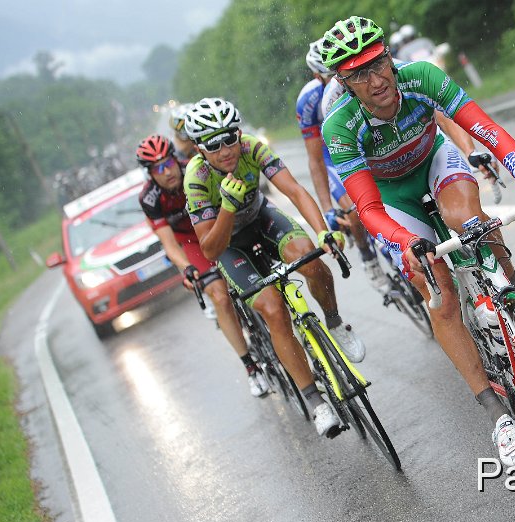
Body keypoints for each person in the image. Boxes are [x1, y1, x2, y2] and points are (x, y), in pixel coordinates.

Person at [319, 16, 515, 466]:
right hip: (391, 196)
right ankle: (497, 417)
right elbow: (369, 210)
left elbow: (485, 128)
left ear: (390, 58)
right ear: (344, 83)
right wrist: (406, 242)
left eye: (378, 64)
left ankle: (513, 296)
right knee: (438, 290)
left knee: (469, 218)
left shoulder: (422, 78)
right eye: (359, 75)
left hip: (435, 160)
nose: (376, 81)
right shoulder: (339, 127)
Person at [182, 97, 366, 436]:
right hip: (228, 244)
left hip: (261, 219)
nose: (225, 149)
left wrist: (323, 231)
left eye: (230, 137)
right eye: (213, 143)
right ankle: (315, 400)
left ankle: (335, 322)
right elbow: (210, 247)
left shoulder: (251, 148)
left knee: (309, 256)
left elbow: (294, 190)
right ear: (198, 148)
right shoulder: (196, 178)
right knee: (272, 309)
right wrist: (227, 206)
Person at [135, 134, 270, 397]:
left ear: (176, 159)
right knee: (220, 296)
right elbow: (168, 243)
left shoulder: (196, 169)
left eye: (168, 163)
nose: (167, 172)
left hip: (216, 227)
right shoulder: (150, 198)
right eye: (158, 169)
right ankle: (251, 367)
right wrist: (186, 267)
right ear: (150, 175)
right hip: (190, 241)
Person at [297, 40, 387, 292]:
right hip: (333, 152)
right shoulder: (310, 101)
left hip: (365, 138)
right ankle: (368, 258)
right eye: (329, 75)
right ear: (317, 76)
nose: (338, 78)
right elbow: (315, 159)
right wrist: (327, 208)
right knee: (355, 208)